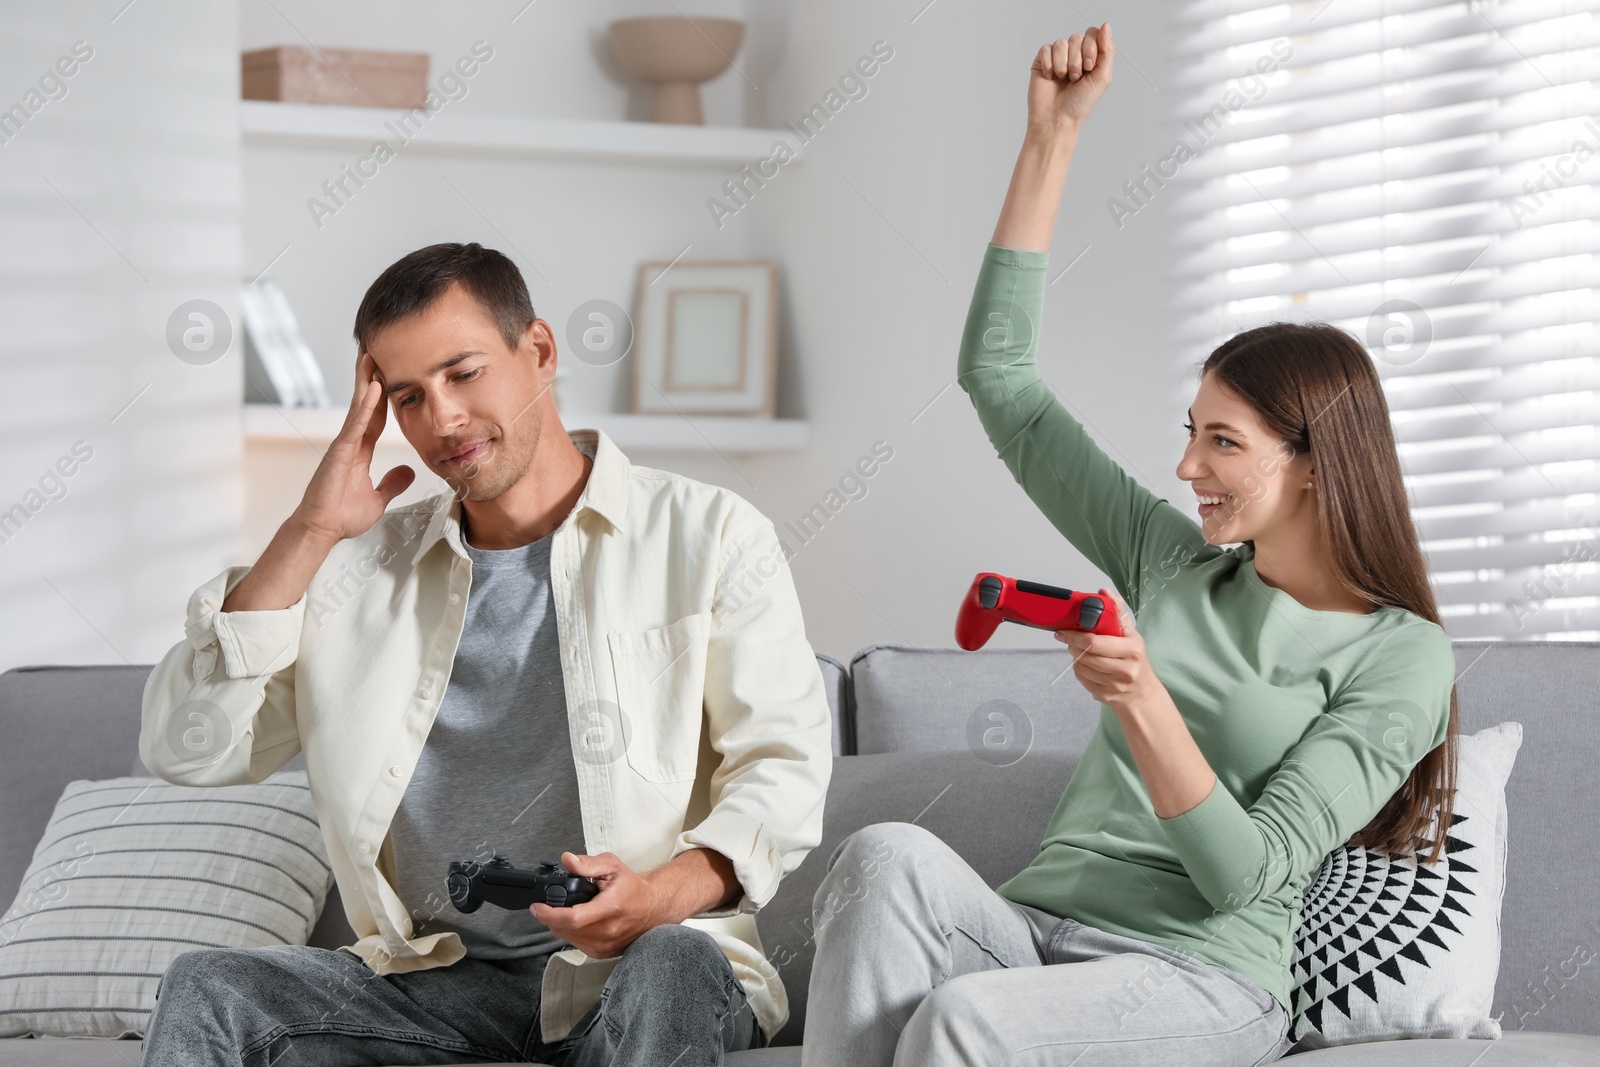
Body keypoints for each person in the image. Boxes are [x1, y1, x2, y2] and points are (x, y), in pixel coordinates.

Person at [802, 24, 1459, 1066]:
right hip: (1031, 937)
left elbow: (1244, 876)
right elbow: (1002, 382)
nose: (1187, 467)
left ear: (1317, 465)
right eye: (1188, 433)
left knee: (961, 1018)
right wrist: (1050, 139)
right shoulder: (1175, 561)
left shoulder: (1399, 655)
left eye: (1222, 442)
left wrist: (1143, 697)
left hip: (1200, 975)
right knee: (884, 852)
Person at [138, 242, 833, 1066]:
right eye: (409, 397)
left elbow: (782, 770)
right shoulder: (353, 576)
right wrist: (310, 530)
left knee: (674, 962)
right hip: (436, 983)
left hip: (637, 965)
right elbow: (189, 750)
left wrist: (658, 898)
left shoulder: (710, 534)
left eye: (462, 373)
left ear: (537, 350)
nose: (444, 420)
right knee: (208, 987)